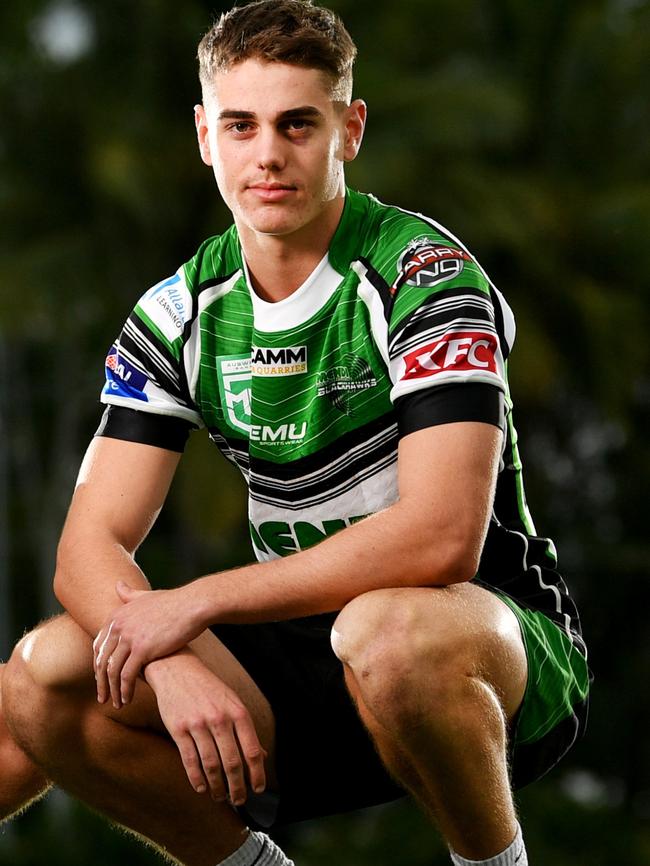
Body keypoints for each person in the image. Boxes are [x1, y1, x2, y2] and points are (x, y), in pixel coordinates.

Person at [0, 2, 591, 865]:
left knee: (385, 631)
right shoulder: (178, 313)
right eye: (240, 125)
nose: (267, 155)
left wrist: (193, 603)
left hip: (482, 652)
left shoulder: (423, 273)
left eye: (297, 124)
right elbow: (85, 551)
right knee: (46, 672)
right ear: (206, 136)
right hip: (301, 664)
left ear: (349, 129)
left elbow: (441, 540)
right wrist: (170, 665)